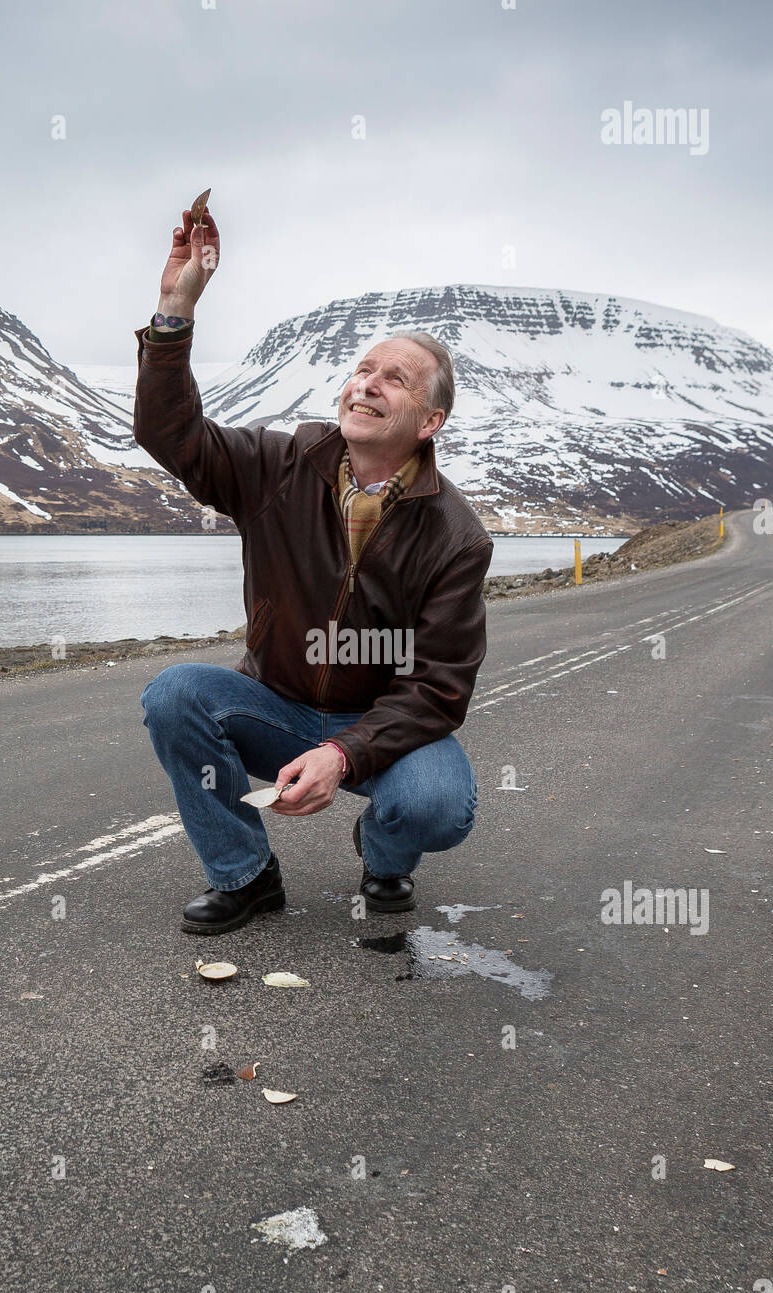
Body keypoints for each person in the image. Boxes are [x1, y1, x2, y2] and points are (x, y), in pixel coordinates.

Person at [134, 197, 493, 935]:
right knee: (175, 695)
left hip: (384, 723)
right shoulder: (277, 465)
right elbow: (170, 434)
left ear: (429, 423)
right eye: (363, 369)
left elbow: (437, 689)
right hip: (277, 702)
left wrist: (343, 751)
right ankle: (245, 876)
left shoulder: (457, 535)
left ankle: (385, 859)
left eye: (394, 378)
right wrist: (175, 310)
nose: (366, 383)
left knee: (436, 806)